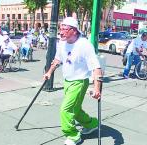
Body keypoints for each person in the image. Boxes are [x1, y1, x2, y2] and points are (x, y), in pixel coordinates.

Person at [43, 17, 103, 145]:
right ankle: (92, 124)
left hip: (79, 82)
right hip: (67, 81)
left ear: (74, 31)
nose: (61, 32)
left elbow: (96, 68)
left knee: (66, 109)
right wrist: (49, 72)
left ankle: (73, 135)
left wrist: (97, 88)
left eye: (64, 29)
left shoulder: (84, 45)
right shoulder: (62, 42)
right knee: (75, 109)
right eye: (61, 28)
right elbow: (57, 59)